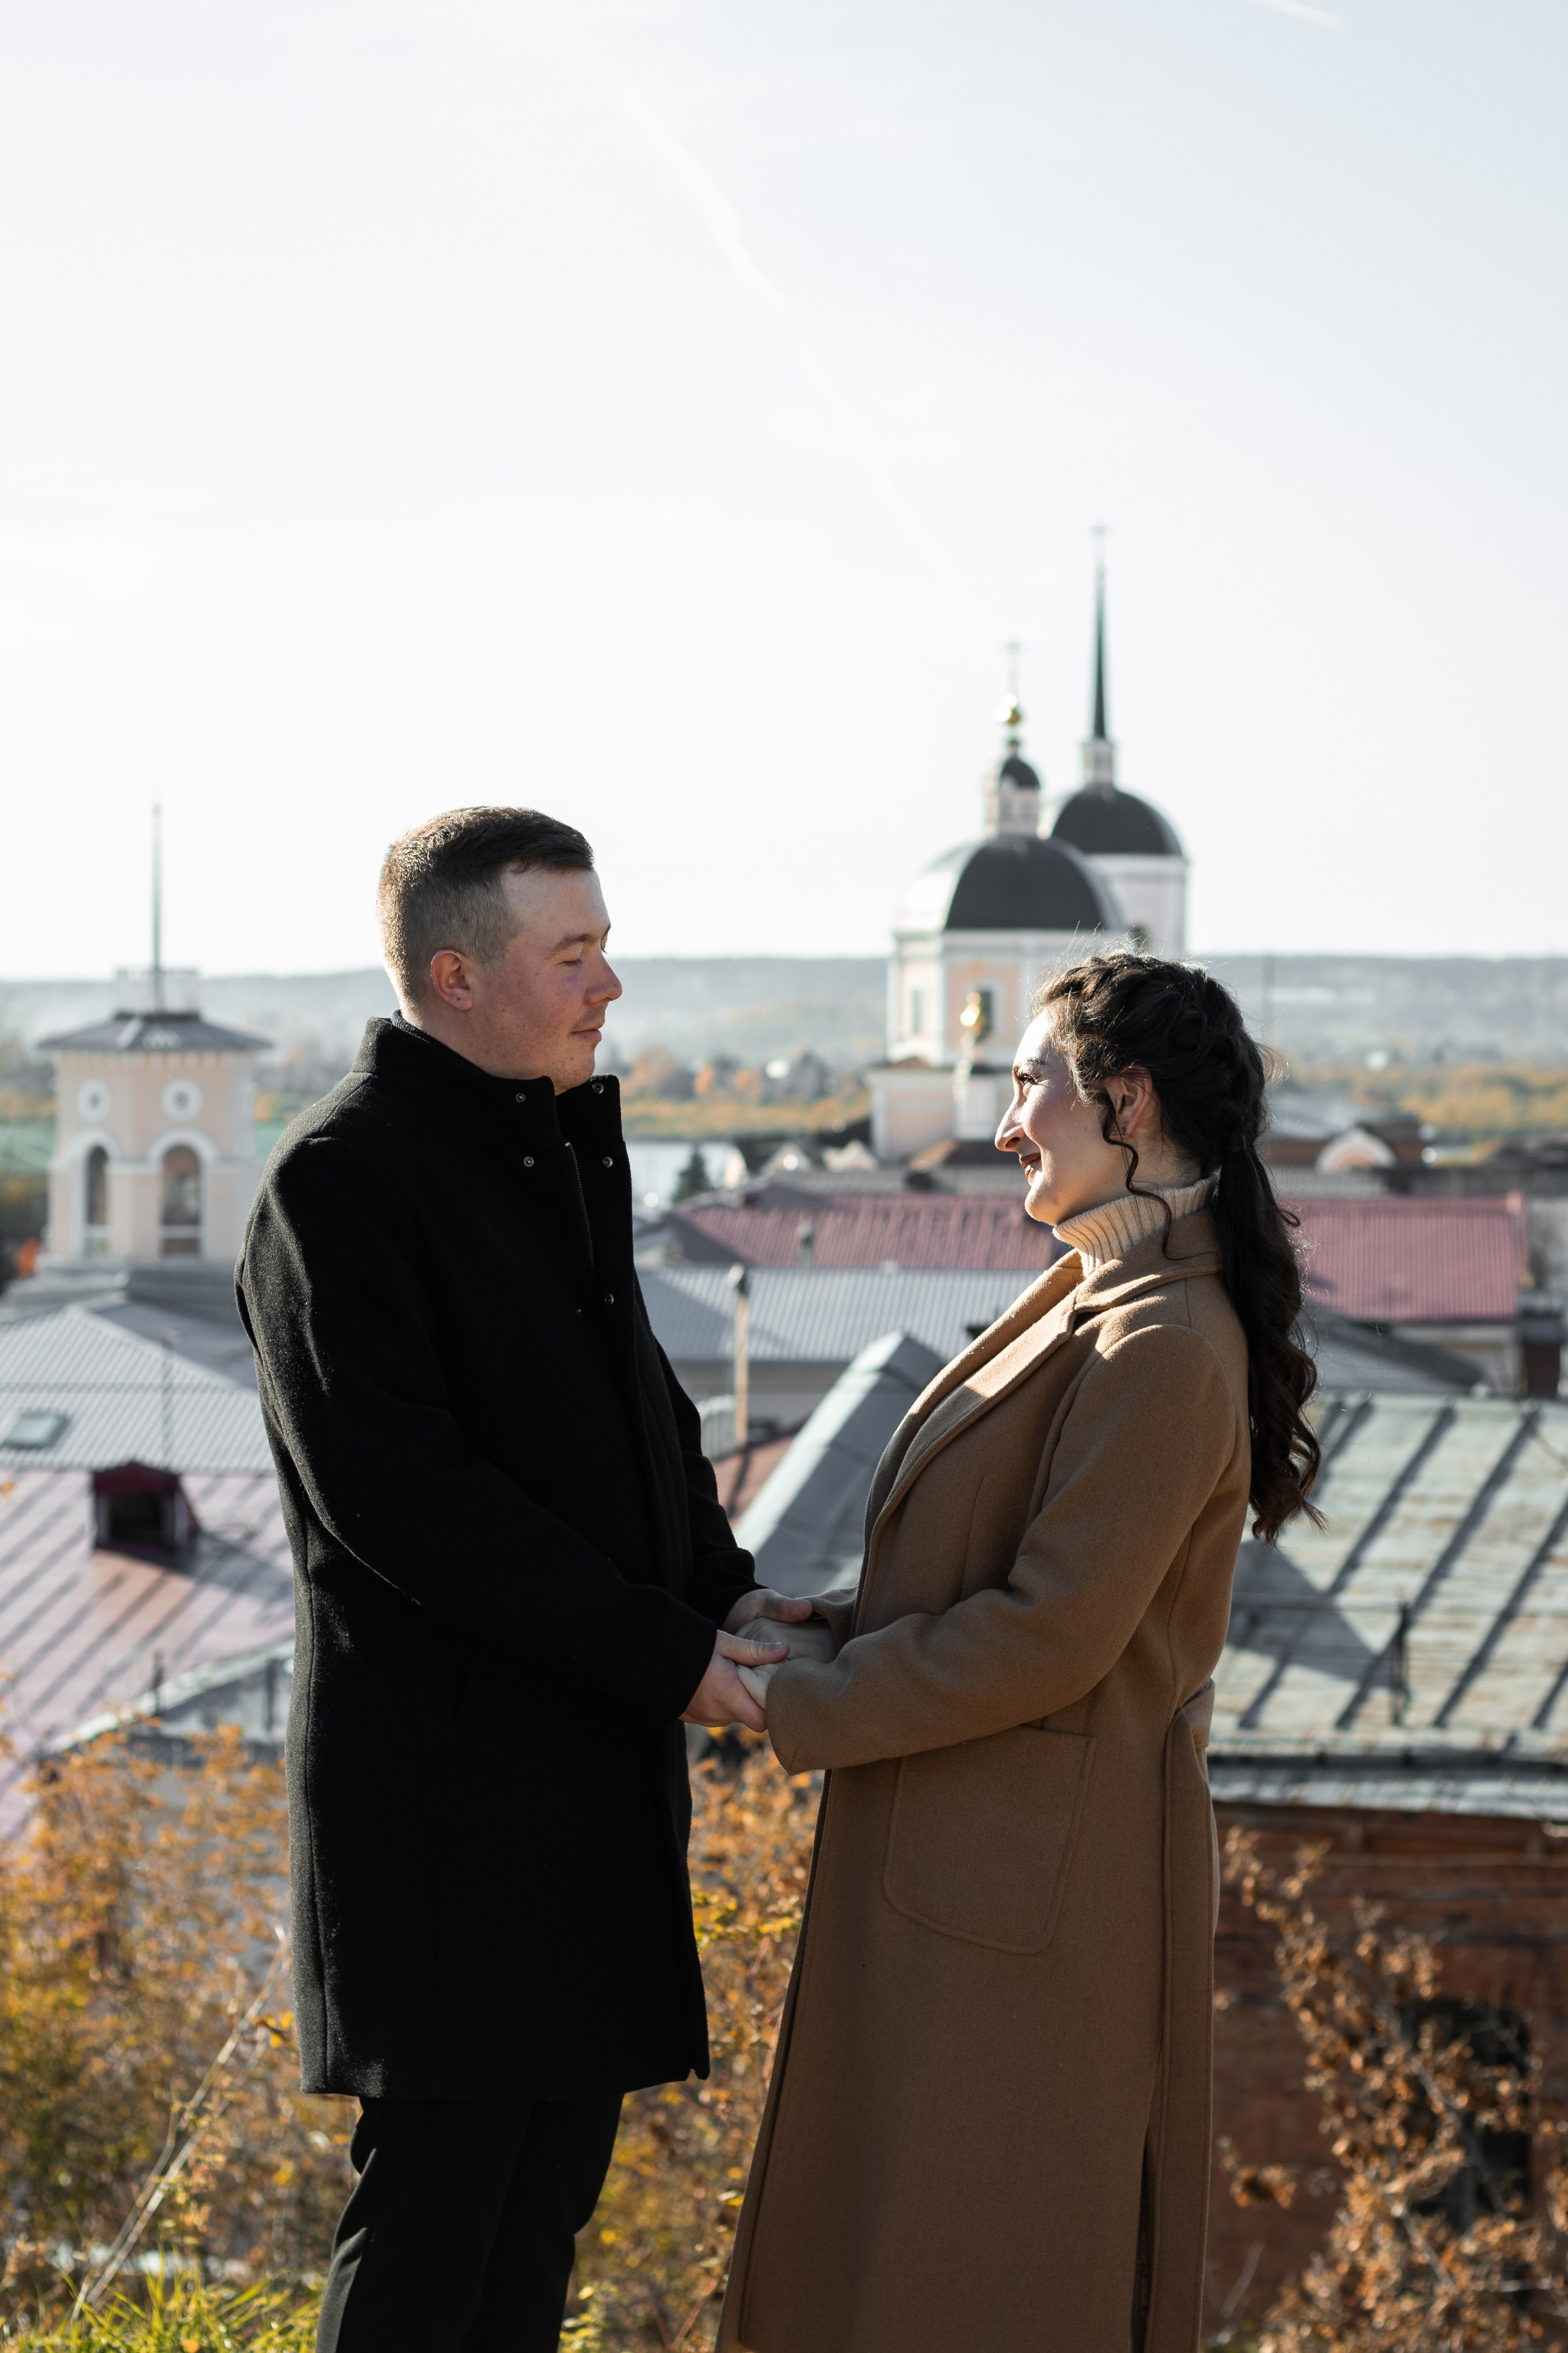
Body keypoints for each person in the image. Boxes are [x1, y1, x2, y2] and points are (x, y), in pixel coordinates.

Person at [236, 806, 809, 2353]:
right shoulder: (339, 1186)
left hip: (577, 1794)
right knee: (434, 2231)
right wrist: (669, 1659)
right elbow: (412, 1507)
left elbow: (634, 1423)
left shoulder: (542, 1152)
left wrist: (724, 1597)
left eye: (603, 946)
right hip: (447, 1818)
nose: (606, 984)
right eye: (574, 953)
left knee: (534, 2227)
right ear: (455, 973)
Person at [718, 953, 1321, 2353]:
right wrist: (829, 1624)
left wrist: (796, 1703)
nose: (1003, 1123)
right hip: (975, 1863)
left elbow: (1053, 1632)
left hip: (1031, 1896)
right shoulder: (1100, 1291)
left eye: (1027, 1082)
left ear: (1127, 1099)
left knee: (971, 2272)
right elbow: (1000, 1576)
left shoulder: (1163, 1336)